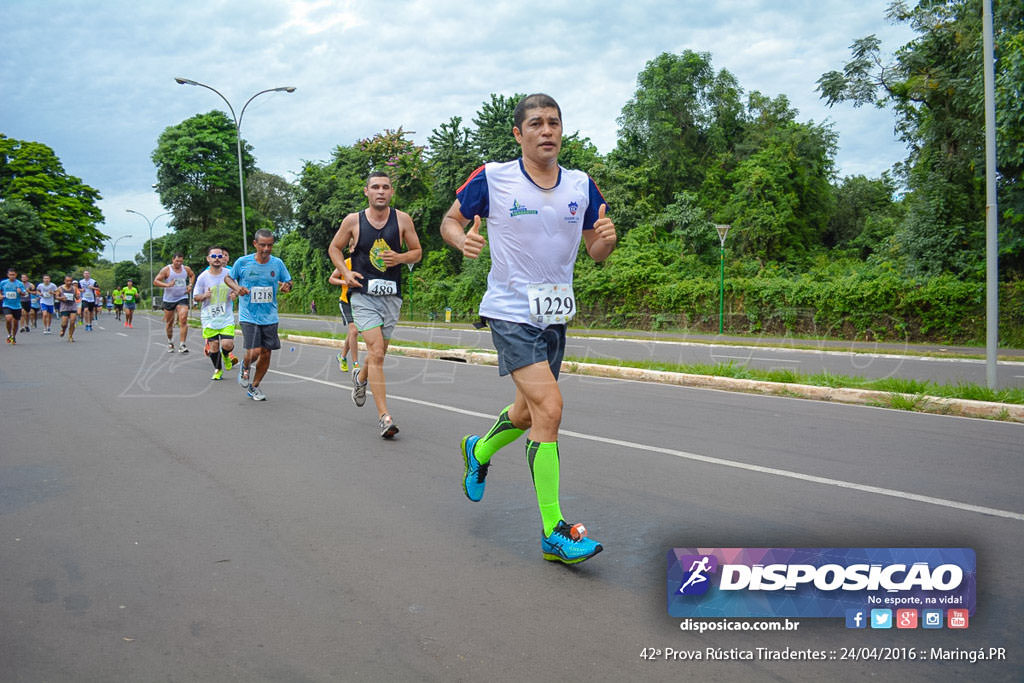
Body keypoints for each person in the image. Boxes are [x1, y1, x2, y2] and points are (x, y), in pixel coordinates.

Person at [440, 93, 617, 565]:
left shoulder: (581, 185)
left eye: (554, 123)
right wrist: (463, 240)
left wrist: (605, 243)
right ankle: (554, 531)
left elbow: (596, 249)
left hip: (554, 314)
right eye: (536, 124)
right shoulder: (493, 177)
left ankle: (479, 449)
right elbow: (450, 221)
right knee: (551, 409)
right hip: (509, 309)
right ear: (518, 134)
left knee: (526, 414)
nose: (547, 131)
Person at [328, 171, 422, 438]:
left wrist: (400, 257)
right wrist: (344, 274)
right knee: (377, 351)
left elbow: (417, 252)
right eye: (375, 187)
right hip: (363, 295)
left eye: (386, 187)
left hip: (391, 296)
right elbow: (335, 248)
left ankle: (360, 379)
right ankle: (385, 417)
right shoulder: (353, 221)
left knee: (378, 353)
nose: (381, 191)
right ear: (366, 192)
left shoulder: (402, 219)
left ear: (392, 192)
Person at [231, 229, 292, 401]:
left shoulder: (277, 263)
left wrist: (287, 286)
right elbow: (229, 278)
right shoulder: (243, 262)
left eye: (270, 245)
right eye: (262, 245)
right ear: (255, 244)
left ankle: (254, 386)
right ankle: (245, 365)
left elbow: (288, 281)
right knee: (255, 351)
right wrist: (237, 288)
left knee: (266, 353)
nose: (266, 249)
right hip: (248, 314)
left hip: (270, 316)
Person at [193, 245, 244, 381]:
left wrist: (234, 294)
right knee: (214, 346)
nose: (217, 259)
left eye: (219, 256)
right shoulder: (203, 277)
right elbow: (196, 297)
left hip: (226, 316)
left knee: (227, 344)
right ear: (208, 259)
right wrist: (205, 295)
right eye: (213, 256)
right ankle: (218, 369)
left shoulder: (229, 273)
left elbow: (237, 290)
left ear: (224, 258)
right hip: (209, 317)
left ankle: (226, 355)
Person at [154, 253, 195, 353]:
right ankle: (170, 341)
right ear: (173, 260)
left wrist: (190, 285)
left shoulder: (186, 269)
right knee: (169, 323)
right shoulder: (166, 270)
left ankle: (182, 344)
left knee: (183, 318)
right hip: (169, 299)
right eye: (177, 261)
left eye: (181, 261)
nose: (179, 263)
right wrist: (167, 285)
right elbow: (156, 281)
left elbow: (192, 275)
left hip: (182, 296)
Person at [328, 257, 359, 374]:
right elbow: (331, 279)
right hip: (346, 302)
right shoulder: (346, 263)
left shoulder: (366, 261)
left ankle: (342, 356)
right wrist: (345, 282)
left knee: (352, 332)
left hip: (360, 303)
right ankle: (356, 364)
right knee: (354, 331)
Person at [3, 268, 29, 344]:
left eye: (13, 275)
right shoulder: (3, 283)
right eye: (10, 275)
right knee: (8, 318)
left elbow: (24, 294)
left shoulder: (19, 283)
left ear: (16, 275)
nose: (12, 276)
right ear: (8, 275)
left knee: (15, 322)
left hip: (17, 306)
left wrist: (20, 292)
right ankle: (9, 334)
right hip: (7, 304)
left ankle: (13, 336)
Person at [55, 275, 80, 342]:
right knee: (64, 324)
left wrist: (77, 296)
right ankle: (63, 329)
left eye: (70, 281)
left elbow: (77, 296)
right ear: (64, 281)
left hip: (72, 306)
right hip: (64, 307)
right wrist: (62, 298)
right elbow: (56, 297)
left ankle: (70, 336)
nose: (69, 282)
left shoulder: (74, 288)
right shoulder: (60, 288)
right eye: (67, 281)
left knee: (72, 321)